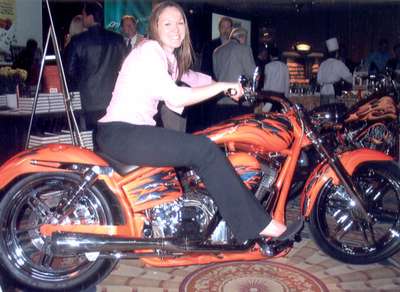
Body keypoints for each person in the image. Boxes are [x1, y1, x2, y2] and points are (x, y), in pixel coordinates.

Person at [97, 1, 287, 243]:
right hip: (121, 132)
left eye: (180, 23)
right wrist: (222, 86)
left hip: (125, 133)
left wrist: (229, 86)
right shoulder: (150, 50)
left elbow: (193, 78)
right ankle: (257, 225)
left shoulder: (168, 58)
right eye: (167, 23)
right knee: (205, 150)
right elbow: (176, 95)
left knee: (201, 147)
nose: (175, 28)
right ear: (155, 26)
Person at [63, 1, 126, 139]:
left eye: (84, 14)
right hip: (115, 99)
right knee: (114, 139)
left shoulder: (78, 41)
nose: (82, 17)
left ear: (90, 17)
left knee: (91, 141)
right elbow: (126, 69)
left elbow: (70, 72)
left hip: (88, 101)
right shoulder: (118, 40)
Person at [212, 27, 256, 122]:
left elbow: (216, 74)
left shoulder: (217, 51)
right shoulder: (244, 49)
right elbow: (252, 73)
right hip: (240, 100)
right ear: (242, 37)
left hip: (222, 100)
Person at [317, 37, 353, 105]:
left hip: (323, 93)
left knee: (324, 111)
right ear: (337, 53)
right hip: (334, 92)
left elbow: (318, 80)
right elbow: (349, 78)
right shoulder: (338, 63)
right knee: (333, 110)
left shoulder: (323, 64)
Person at [262, 45, 290, 112]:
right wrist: (286, 96)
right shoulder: (285, 66)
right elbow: (287, 83)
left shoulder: (268, 66)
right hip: (281, 96)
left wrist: (264, 95)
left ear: (270, 55)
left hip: (271, 96)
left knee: (269, 116)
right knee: (279, 116)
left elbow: (267, 82)